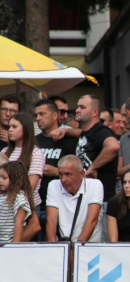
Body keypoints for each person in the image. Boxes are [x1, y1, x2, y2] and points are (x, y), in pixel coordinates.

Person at [74, 94, 120, 241]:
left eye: (82, 107)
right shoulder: (87, 133)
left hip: (103, 202)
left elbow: (113, 146)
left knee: (103, 250)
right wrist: (65, 131)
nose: (77, 110)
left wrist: (93, 167)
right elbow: (80, 134)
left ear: (94, 112)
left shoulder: (101, 131)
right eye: (77, 106)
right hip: (89, 201)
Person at [35, 99, 78, 240]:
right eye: (36, 115)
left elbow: (79, 172)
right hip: (36, 204)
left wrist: (55, 172)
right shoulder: (34, 141)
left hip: (62, 205)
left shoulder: (69, 140)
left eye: (42, 114)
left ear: (55, 116)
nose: (38, 118)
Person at [46, 155, 103, 242]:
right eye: (60, 174)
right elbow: (51, 220)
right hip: (62, 247)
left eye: (68, 174)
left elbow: (92, 220)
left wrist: (77, 248)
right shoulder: (53, 185)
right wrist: (54, 249)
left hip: (88, 248)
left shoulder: (95, 185)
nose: (63, 180)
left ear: (81, 174)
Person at [2, 113, 45, 221]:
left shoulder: (35, 153)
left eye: (14, 127)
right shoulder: (4, 151)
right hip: (5, 206)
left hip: (27, 206)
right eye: (9, 126)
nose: (10, 130)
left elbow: (30, 186)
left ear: (26, 129)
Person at [0, 161, 35, 242]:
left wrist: (15, 246)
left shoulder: (19, 198)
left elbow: (19, 223)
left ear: (14, 179)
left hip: (8, 242)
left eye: (4, 178)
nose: (0, 181)